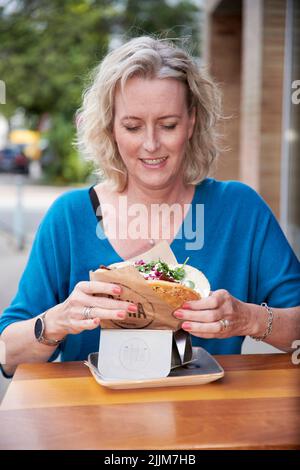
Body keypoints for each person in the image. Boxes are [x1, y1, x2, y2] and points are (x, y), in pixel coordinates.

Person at [1, 36, 300, 377]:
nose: (151, 144)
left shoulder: (239, 210)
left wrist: (249, 318)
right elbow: (6, 354)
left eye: (168, 125)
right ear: (111, 127)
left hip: (209, 421)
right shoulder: (69, 217)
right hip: (89, 424)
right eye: (132, 126)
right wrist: (54, 322)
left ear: (192, 122)